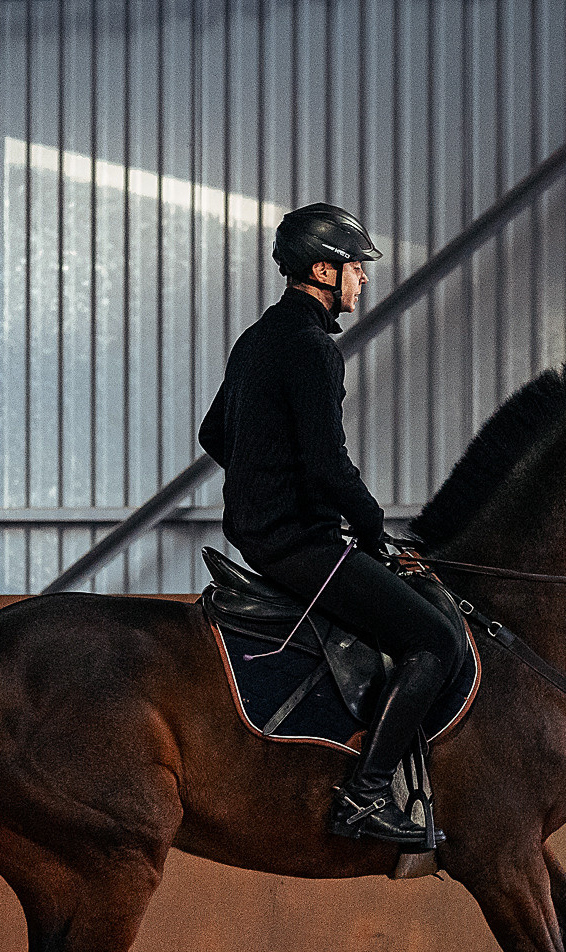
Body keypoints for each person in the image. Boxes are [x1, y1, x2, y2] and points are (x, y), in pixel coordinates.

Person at [198, 203, 466, 845]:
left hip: (265, 535)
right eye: (355, 268)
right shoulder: (313, 349)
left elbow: (213, 435)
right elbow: (327, 464)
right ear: (323, 270)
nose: (362, 280)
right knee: (434, 642)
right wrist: (372, 528)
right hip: (297, 543)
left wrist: (264, 482)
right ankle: (367, 798)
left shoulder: (258, 337)